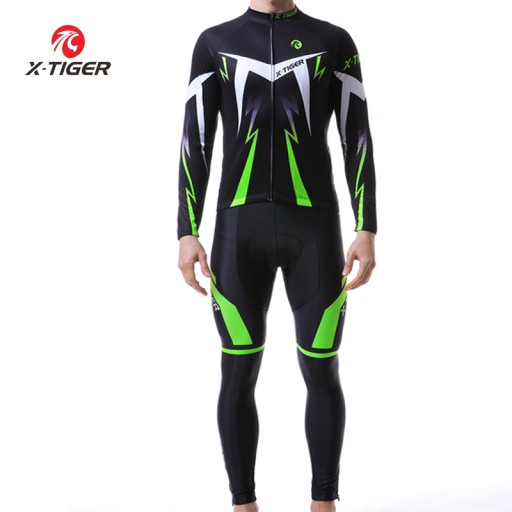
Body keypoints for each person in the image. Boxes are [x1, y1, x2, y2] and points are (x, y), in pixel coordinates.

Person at [177, 0, 377, 510]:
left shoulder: (333, 41)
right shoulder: (214, 42)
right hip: (236, 233)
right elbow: (195, 139)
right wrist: (186, 230)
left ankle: (323, 504)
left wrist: (367, 226)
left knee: (322, 370)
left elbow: (356, 135)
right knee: (237, 372)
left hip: (315, 229)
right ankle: (243, 504)